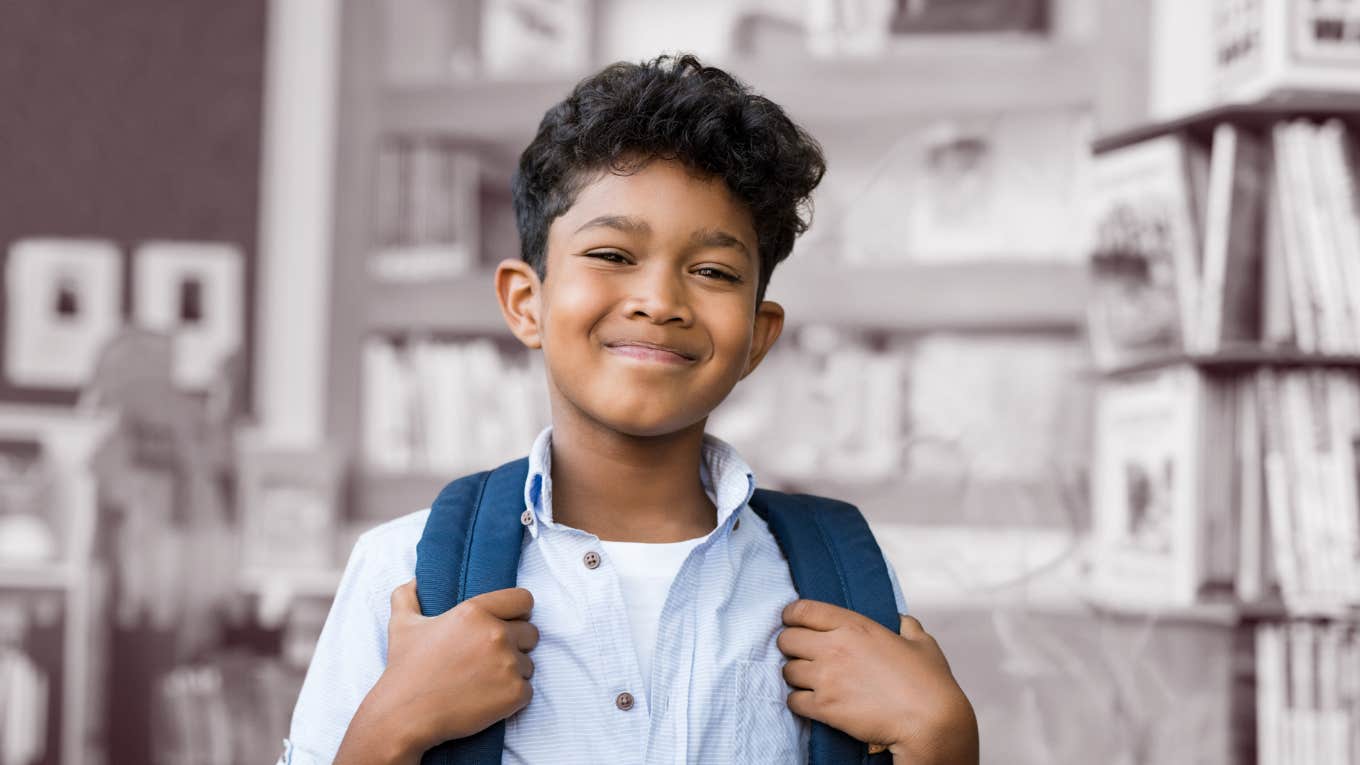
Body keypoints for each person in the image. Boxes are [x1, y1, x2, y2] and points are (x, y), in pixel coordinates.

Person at [279, 53, 978, 765]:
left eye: (712, 271)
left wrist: (943, 739)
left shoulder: (834, 578)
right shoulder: (402, 572)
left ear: (758, 337)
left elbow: (921, 729)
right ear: (528, 303)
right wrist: (392, 725)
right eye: (612, 254)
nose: (661, 301)